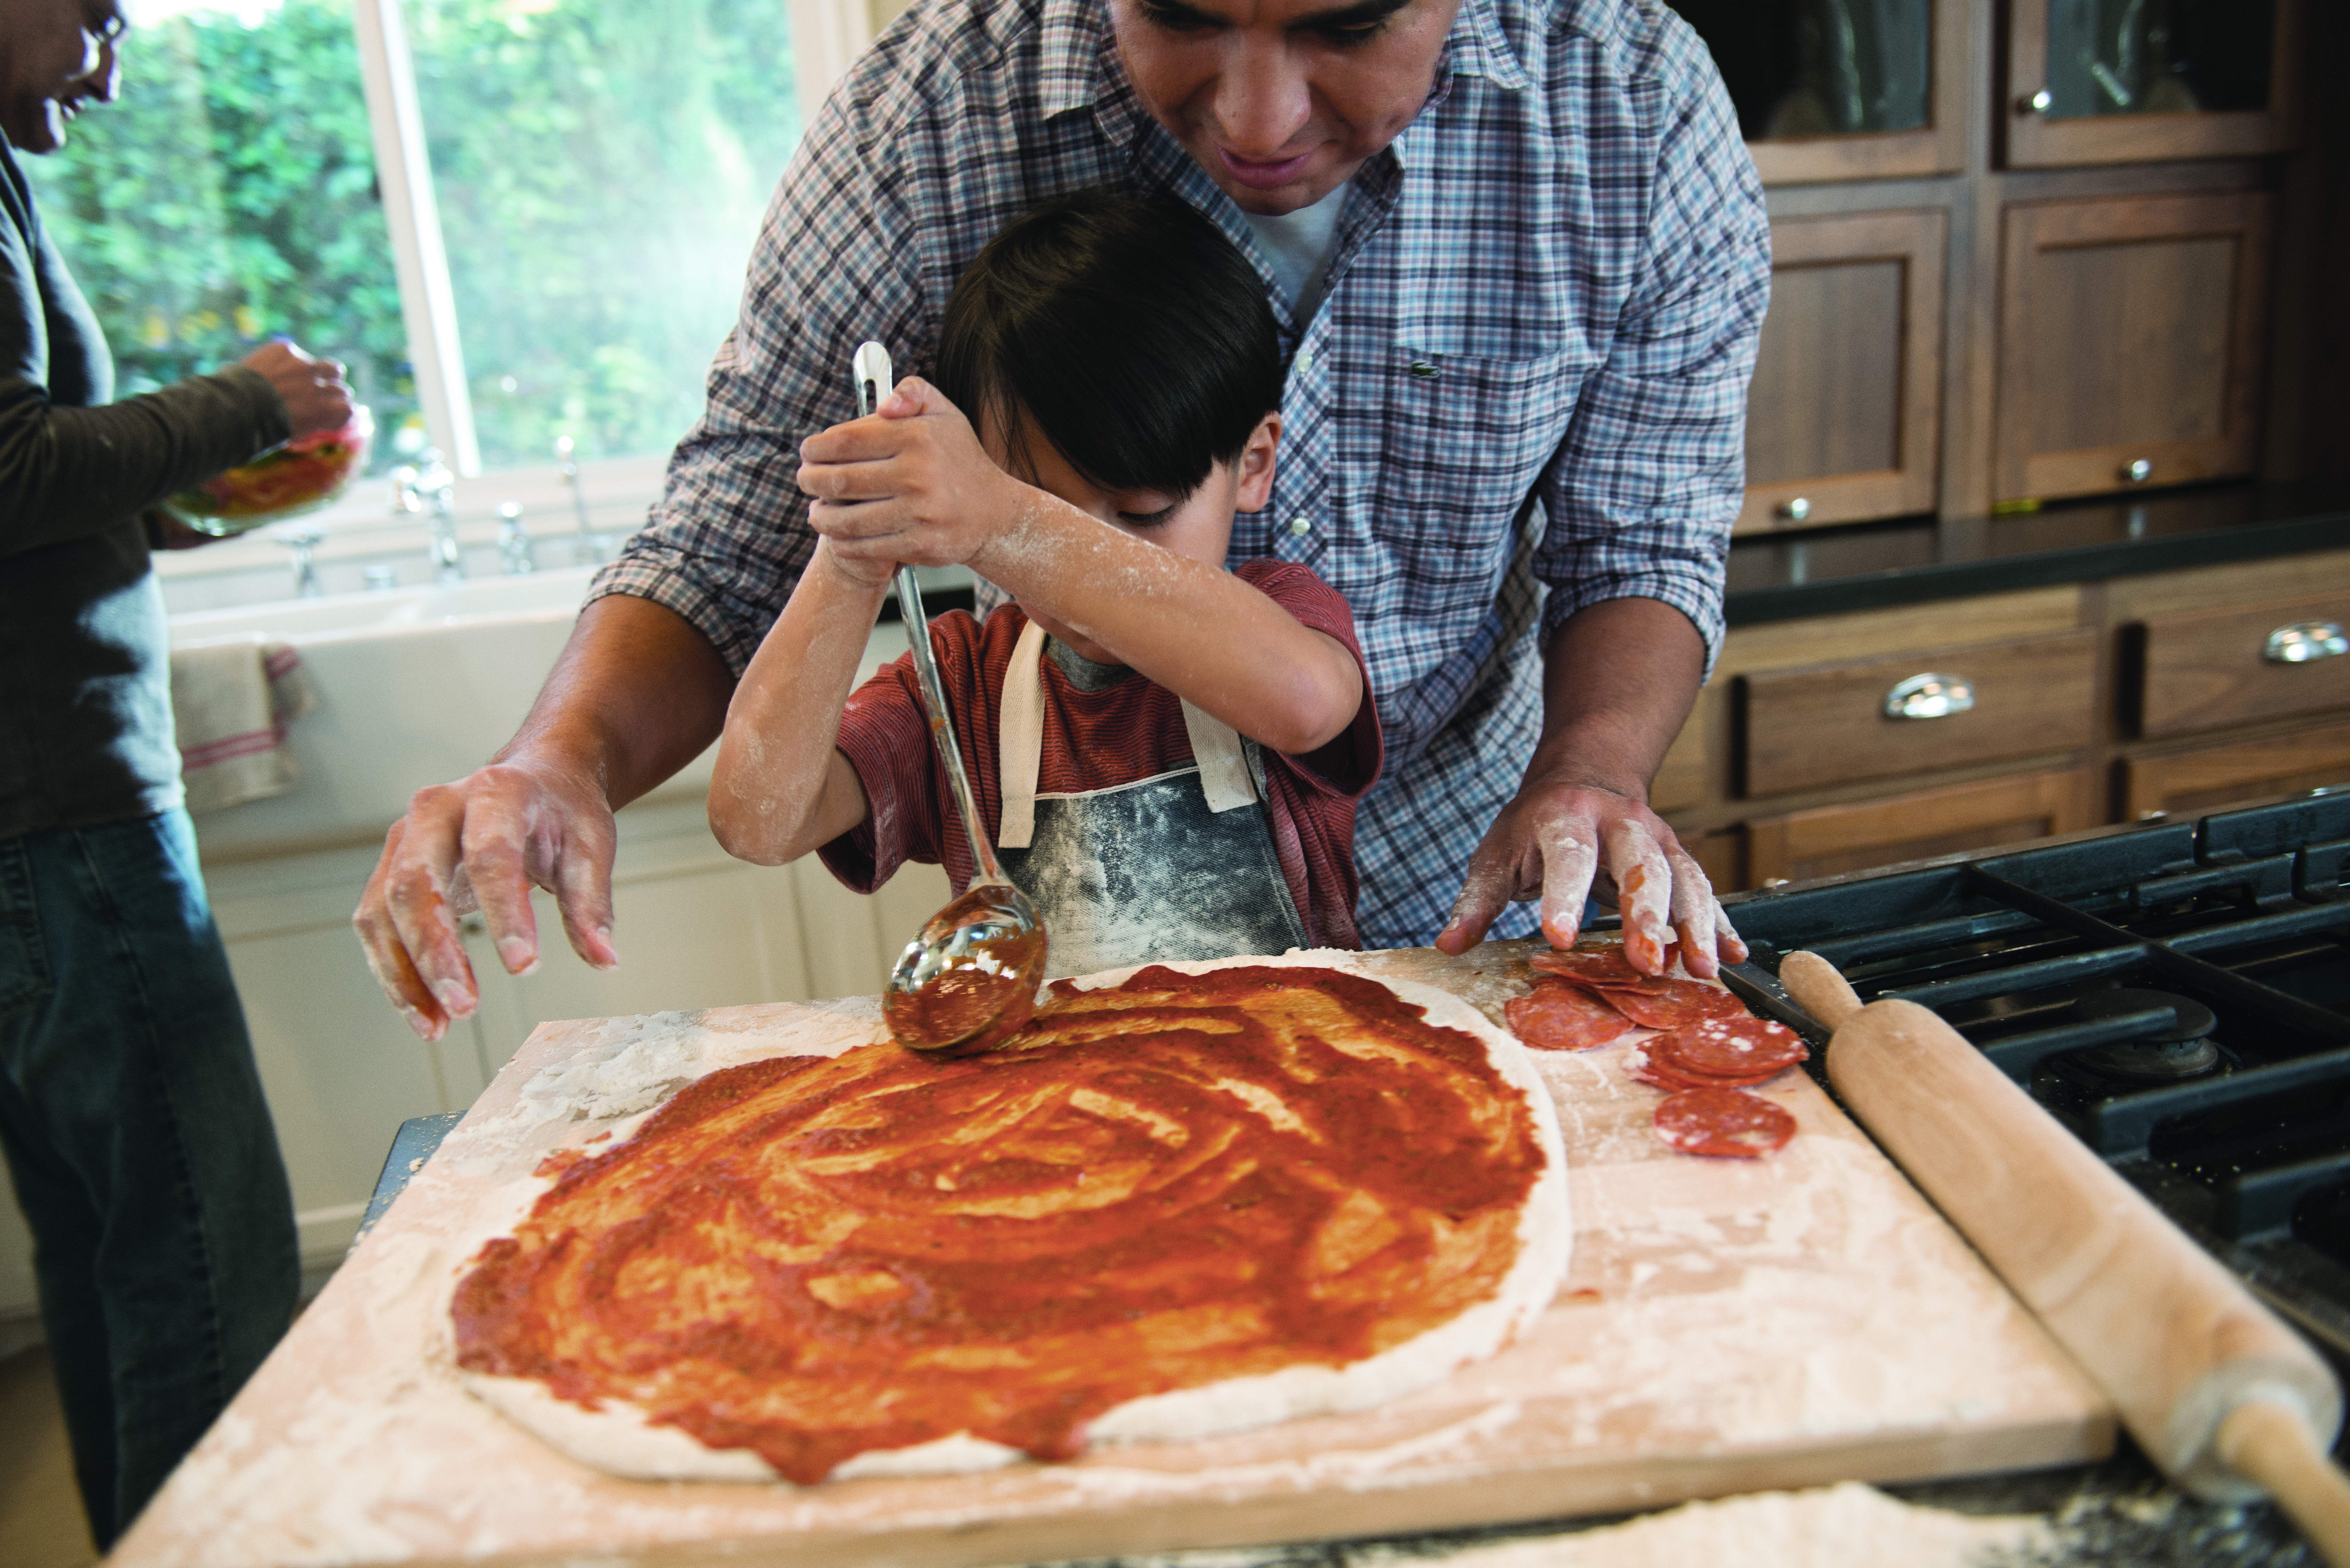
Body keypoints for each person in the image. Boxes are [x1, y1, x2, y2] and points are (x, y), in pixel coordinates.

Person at [354, 0, 1769, 1039]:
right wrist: (568, 753)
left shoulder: (1626, 103)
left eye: (1345, 26)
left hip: (1481, 924)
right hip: (1068, 1062)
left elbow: (1637, 536)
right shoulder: (925, 119)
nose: (1257, 118)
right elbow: (740, 532)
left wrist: (1591, 769)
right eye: (1181, 18)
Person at [0, 0, 354, 1546]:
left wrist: (189, 502)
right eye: (97, 14)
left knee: (103, 1255)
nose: (110, 62)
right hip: (62, 815)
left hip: (33, 818)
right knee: (206, 1263)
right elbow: (7, 464)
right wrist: (245, 406)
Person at [710, 191, 1379, 974]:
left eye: (1143, 511)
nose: (1079, 564)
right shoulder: (960, 686)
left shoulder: (1283, 616)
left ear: (1254, 465)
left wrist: (1009, 523)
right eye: (1042, 513)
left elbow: (1304, 702)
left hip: (1298, 1074)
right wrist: (853, 552)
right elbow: (759, 819)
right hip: (1047, 1097)